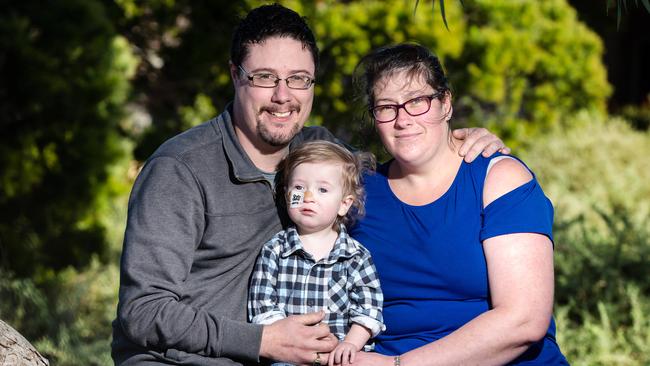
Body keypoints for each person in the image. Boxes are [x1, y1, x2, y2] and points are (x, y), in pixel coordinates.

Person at [111, 4, 508, 366]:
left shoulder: (319, 151)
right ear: (236, 75)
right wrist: (261, 340)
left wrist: (456, 139)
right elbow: (143, 310)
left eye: (299, 79)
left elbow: (398, 164)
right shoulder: (180, 169)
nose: (283, 96)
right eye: (265, 77)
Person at [348, 43, 569, 365]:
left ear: (446, 104)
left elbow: (524, 320)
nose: (403, 119)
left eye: (417, 102)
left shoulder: (499, 179)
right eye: (386, 107)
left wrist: (401, 365)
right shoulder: (358, 192)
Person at [249, 141, 383, 366]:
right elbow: (262, 307)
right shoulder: (275, 250)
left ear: (344, 204)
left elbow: (369, 311)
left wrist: (350, 344)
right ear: (286, 194)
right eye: (299, 188)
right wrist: (286, 346)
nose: (309, 196)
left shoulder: (356, 257)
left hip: (340, 356)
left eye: (322, 190)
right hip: (286, 357)